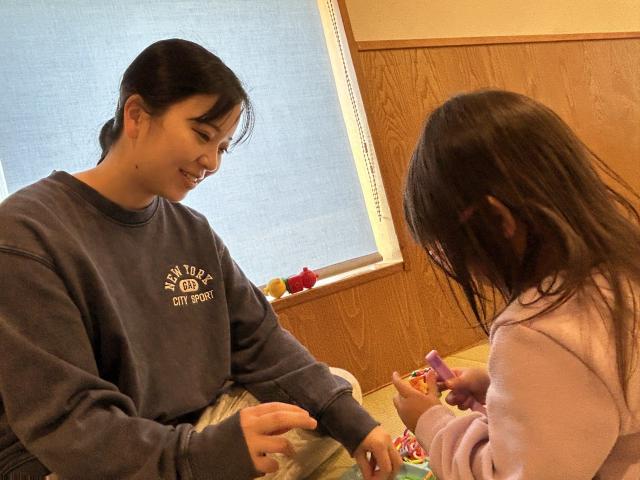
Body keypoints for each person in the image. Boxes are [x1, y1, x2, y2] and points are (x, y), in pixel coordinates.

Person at [0, 38, 402, 479]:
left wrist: (354, 425)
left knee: (335, 398)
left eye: (223, 147)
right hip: (74, 460)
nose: (211, 162)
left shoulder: (191, 231)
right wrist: (204, 457)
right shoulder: (26, 231)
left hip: (186, 434)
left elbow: (261, 343)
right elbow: (69, 423)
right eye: (202, 135)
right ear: (136, 116)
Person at [393, 89, 640, 479]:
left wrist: (431, 422)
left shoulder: (537, 333)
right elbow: (597, 398)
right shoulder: (623, 269)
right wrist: (503, 391)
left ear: (498, 220)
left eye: (446, 250)